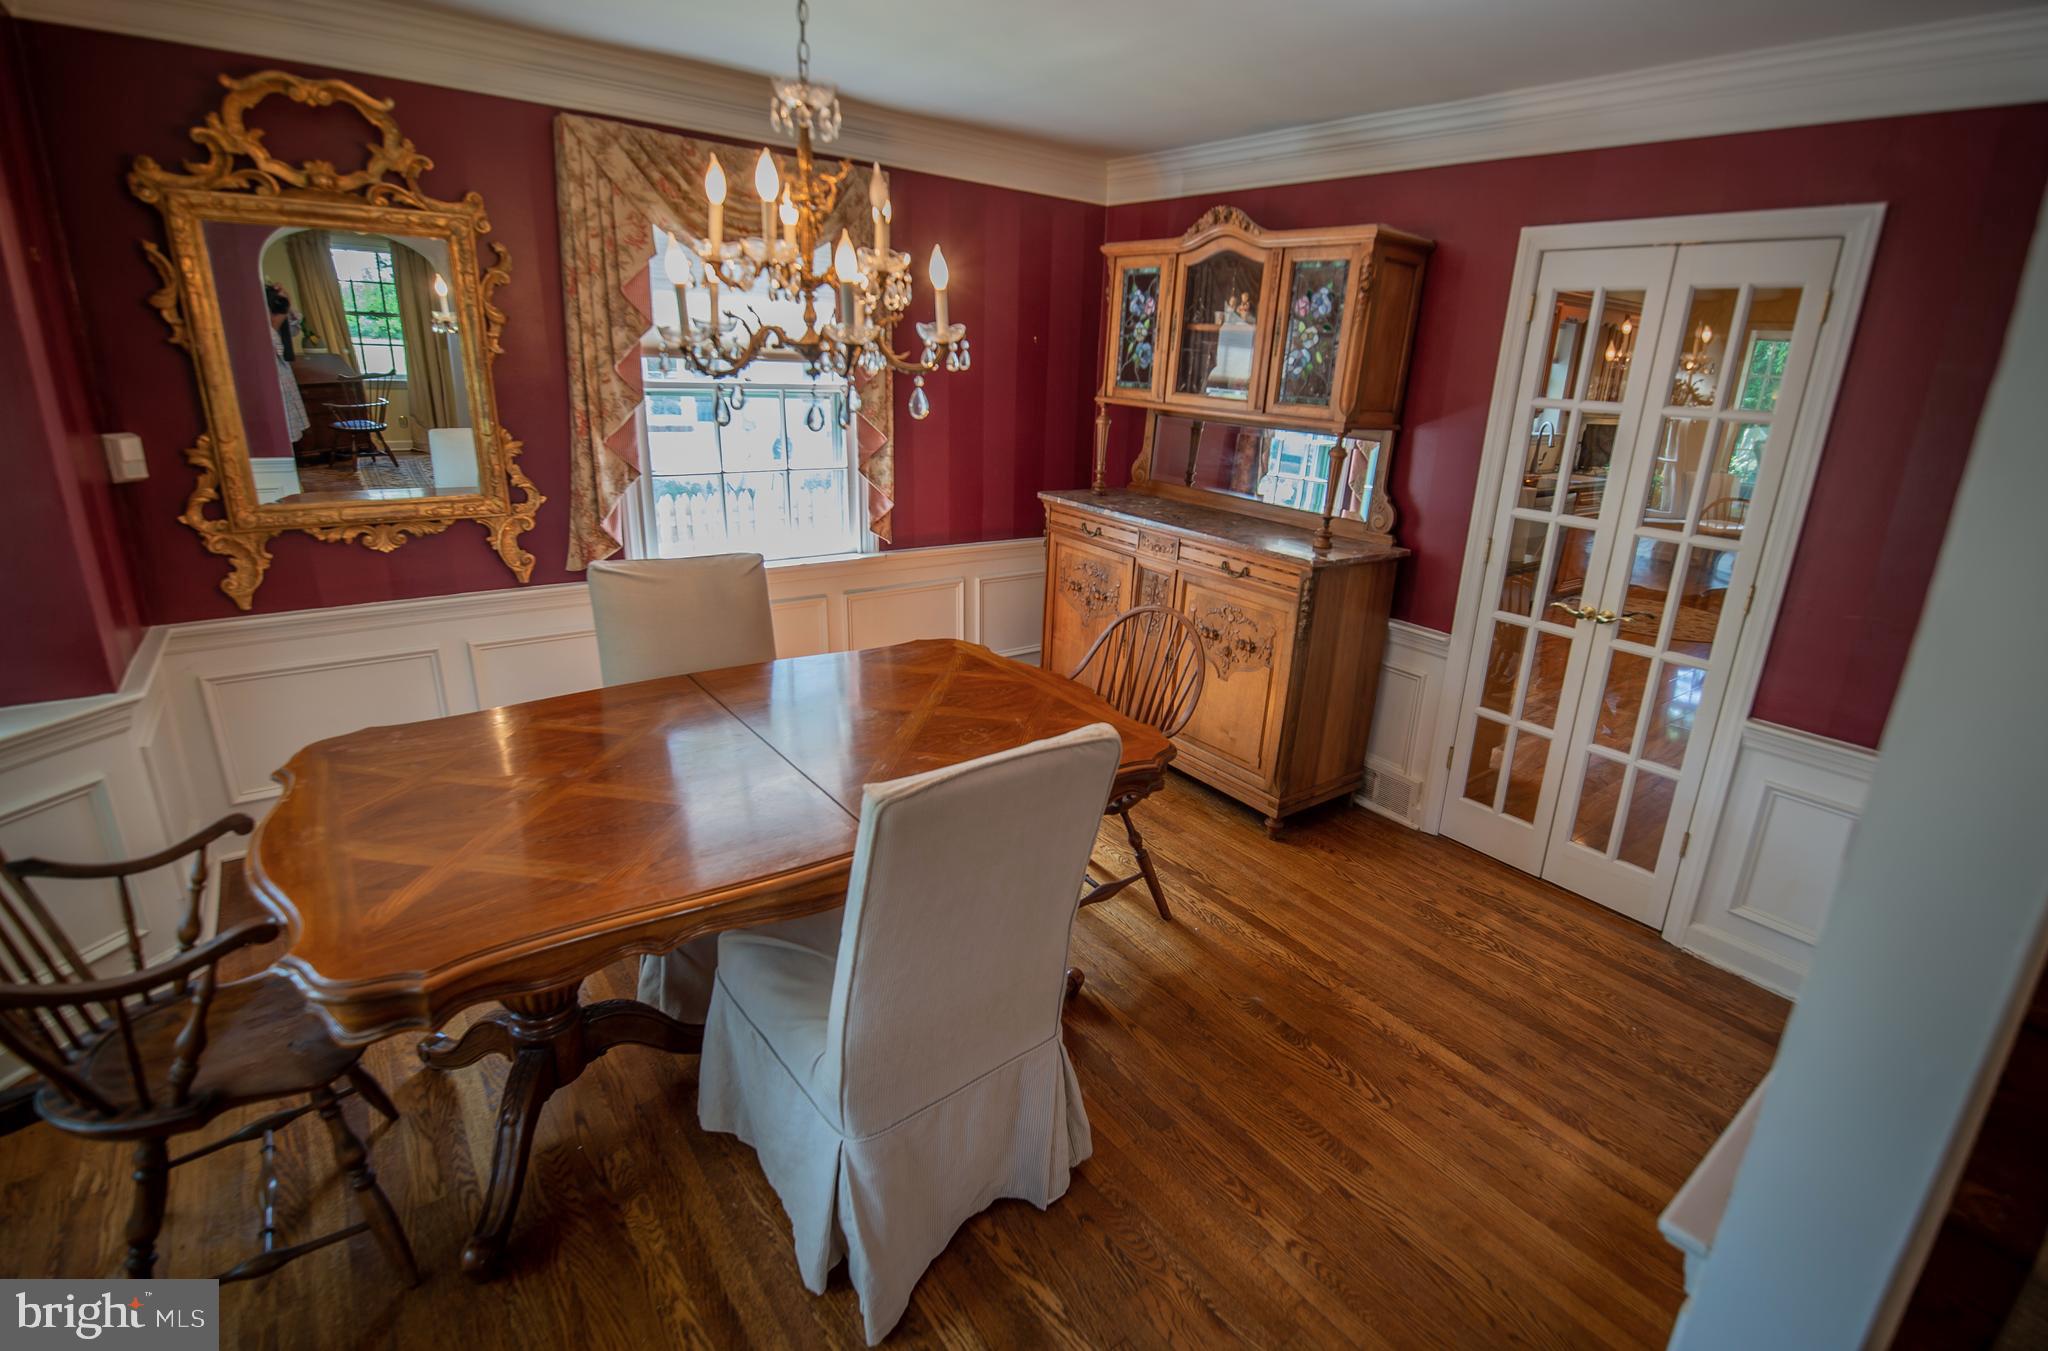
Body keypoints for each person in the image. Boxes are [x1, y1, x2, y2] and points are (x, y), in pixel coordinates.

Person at [266, 282, 310, 446]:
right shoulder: (258, 330)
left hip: (284, 384)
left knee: (288, 440)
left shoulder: (278, 325)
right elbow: (273, 345)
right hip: (273, 392)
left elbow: (294, 327)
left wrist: (286, 303)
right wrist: (275, 321)